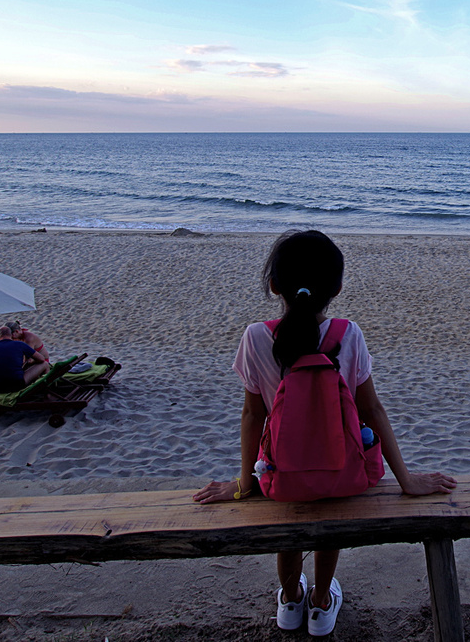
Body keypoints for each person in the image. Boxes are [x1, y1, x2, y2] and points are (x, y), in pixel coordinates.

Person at [193, 230, 455, 637]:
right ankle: (320, 604)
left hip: (280, 478)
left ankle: (291, 597)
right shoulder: (348, 334)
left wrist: (244, 484)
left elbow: (252, 415)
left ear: (273, 284)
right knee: (331, 493)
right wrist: (407, 480)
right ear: (337, 288)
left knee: (290, 505)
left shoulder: (256, 337)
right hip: (342, 475)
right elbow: (372, 409)